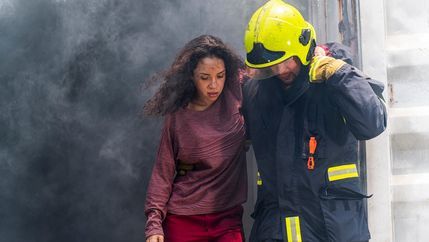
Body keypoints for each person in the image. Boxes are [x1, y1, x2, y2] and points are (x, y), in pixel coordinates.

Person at [241, 0, 387, 241]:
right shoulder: (258, 91)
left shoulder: (335, 75)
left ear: (303, 45)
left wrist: (340, 76)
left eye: (285, 61)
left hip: (332, 229)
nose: (280, 71)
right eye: (272, 67)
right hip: (276, 230)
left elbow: (373, 123)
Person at [143, 35, 247, 242]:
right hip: (184, 219)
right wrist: (154, 225)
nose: (214, 85)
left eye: (220, 75)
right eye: (205, 77)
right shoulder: (178, 117)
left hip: (227, 217)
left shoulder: (236, 91)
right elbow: (162, 173)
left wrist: (326, 52)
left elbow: (273, 69)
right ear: (192, 76)